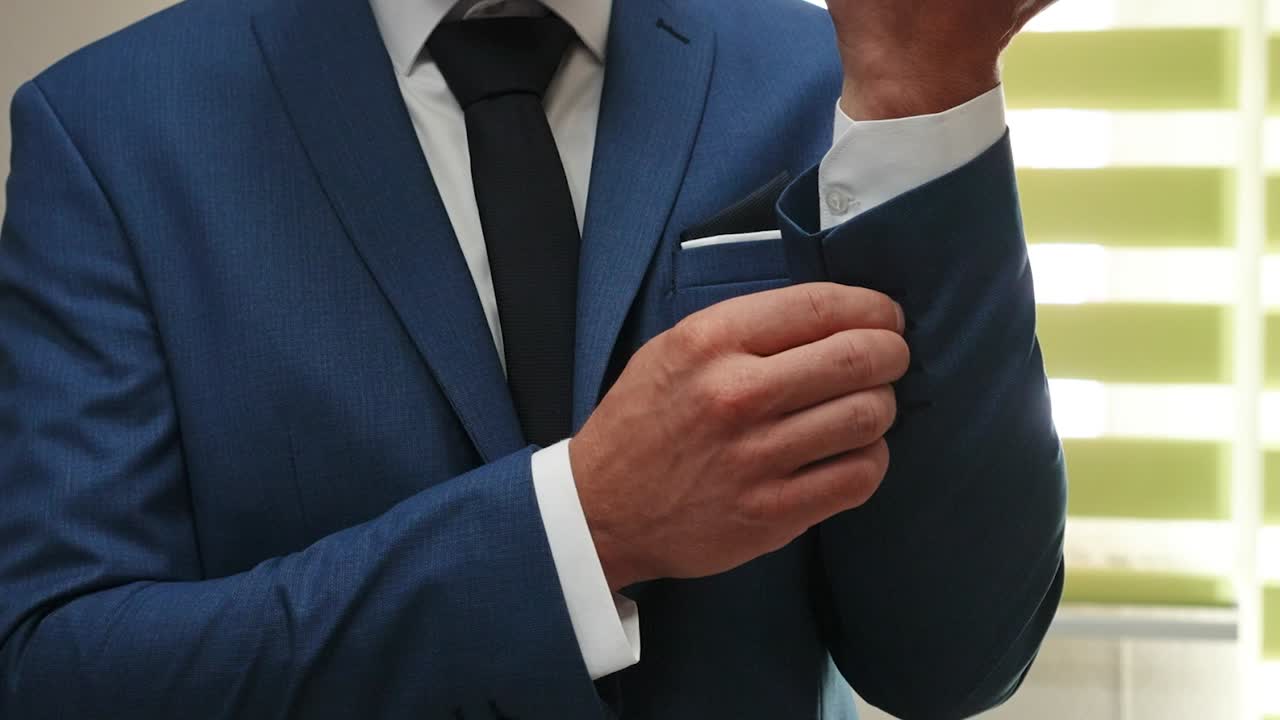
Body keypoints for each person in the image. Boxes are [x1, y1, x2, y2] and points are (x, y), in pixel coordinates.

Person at [0, 0, 1067, 717]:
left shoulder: (824, 74)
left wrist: (923, 94)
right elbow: (56, 666)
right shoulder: (111, 130)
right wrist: (580, 529)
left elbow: (948, 663)